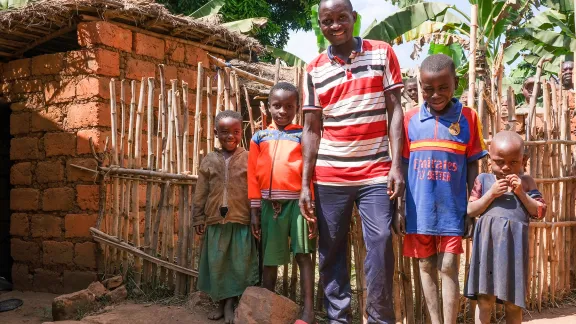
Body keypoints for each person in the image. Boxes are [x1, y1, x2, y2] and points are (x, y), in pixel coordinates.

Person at [300, 0, 405, 322]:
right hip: (331, 175)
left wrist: (397, 165)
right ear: (320, 23)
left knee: (381, 243)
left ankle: (379, 319)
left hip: (375, 170)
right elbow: (311, 129)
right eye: (327, 20)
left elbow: (395, 110)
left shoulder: (382, 52)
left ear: (354, 18)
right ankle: (338, 319)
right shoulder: (313, 69)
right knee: (331, 252)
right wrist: (305, 182)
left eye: (341, 18)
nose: (335, 26)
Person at [396, 54, 488, 324]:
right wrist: (400, 207)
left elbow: (473, 166)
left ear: (455, 83)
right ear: (419, 86)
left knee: (448, 266)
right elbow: (401, 166)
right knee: (425, 265)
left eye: (443, 87)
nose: (435, 94)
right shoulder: (409, 119)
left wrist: (472, 208)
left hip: (453, 207)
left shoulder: (468, 117)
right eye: (428, 89)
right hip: (419, 207)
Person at [248, 82, 317, 324]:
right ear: (268, 108)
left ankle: (308, 312)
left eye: (289, 106)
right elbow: (252, 176)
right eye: (277, 106)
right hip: (270, 206)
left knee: (303, 255)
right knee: (269, 259)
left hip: (298, 205)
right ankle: (266, 308)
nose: (283, 111)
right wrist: (255, 210)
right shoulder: (259, 137)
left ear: (297, 108)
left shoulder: (302, 135)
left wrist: (312, 206)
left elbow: (312, 173)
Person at [464, 131, 546, 324]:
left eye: (513, 162)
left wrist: (521, 194)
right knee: (484, 299)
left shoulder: (526, 183)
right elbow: (471, 209)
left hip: (513, 252)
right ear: (490, 158)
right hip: (487, 251)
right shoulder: (484, 181)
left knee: (513, 303)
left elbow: (540, 211)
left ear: (523, 159)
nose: (506, 168)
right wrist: (490, 194)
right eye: (499, 162)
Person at [192, 110, 258, 324]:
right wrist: (198, 217)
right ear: (215, 133)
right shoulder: (209, 160)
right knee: (218, 264)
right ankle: (221, 303)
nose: (230, 136)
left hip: (240, 221)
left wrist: (255, 216)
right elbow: (201, 191)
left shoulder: (249, 158)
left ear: (242, 132)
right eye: (225, 132)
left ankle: (230, 304)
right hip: (215, 222)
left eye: (236, 132)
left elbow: (255, 189)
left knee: (237, 264)